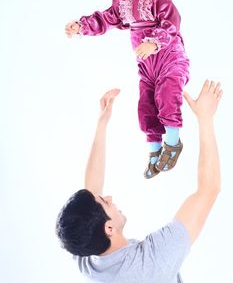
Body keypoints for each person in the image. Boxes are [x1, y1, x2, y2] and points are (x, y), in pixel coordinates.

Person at [56, 79, 222, 283]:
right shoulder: (152, 262)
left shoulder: (86, 251)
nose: (108, 197)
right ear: (109, 229)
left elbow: (91, 194)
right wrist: (205, 118)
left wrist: (102, 123)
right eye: (105, 203)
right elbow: (208, 190)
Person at [65, 0, 190, 178]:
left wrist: (153, 43)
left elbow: (172, 23)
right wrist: (81, 26)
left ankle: (173, 143)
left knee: (167, 96)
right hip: (147, 68)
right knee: (145, 107)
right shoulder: (124, 4)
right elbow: (104, 19)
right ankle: (154, 150)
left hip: (170, 59)